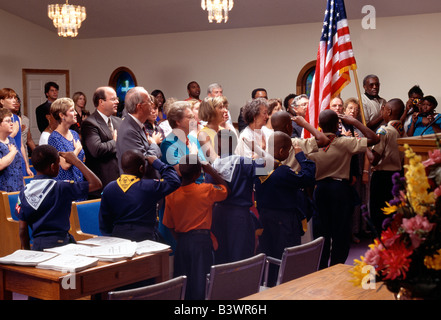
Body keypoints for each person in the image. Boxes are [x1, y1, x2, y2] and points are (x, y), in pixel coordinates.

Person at [305, 109, 379, 269]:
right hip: (340, 189)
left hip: (321, 189)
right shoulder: (345, 142)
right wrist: (355, 122)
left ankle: (321, 269)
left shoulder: (312, 143)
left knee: (321, 233)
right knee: (341, 232)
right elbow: (374, 139)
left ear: (319, 125)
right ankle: (337, 267)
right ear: (337, 125)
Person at [163, 154, 229, 300]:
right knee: (201, 283)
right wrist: (211, 171)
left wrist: (182, 238)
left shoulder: (171, 195)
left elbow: (169, 225)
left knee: (183, 284)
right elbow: (225, 190)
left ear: (179, 171)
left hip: (182, 242)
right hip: (201, 241)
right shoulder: (206, 189)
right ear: (198, 173)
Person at [254, 131, 316, 286]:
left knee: (268, 255)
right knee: (285, 257)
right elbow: (307, 178)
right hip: (284, 221)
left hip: (265, 219)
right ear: (281, 151)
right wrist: (301, 156)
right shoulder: (283, 172)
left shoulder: (259, 166)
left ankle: (267, 287)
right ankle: (284, 288)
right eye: (288, 151)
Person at [16, 145, 101, 251]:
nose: (59, 166)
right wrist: (76, 161)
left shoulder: (23, 193)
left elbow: (22, 229)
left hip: (38, 246)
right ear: (52, 167)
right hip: (62, 246)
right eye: (58, 163)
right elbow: (96, 184)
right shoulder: (61, 187)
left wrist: (28, 252)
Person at [207, 129, 265, 265]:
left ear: (217, 146)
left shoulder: (212, 167)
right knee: (241, 259)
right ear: (234, 145)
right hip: (239, 217)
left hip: (218, 215)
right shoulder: (245, 163)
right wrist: (257, 149)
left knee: (221, 259)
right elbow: (267, 166)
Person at [99, 150, 180, 242]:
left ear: (122, 167)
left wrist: (113, 238)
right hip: (146, 239)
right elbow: (174, 180)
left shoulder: (108, 188)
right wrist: (157, 162)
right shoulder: (149, 186)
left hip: (118, 238)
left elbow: (104, 223)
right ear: (141, 168)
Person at [367, 99, 405, 232]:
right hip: (397, 176)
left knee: (379, 215)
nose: (381, 111)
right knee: (393, 214)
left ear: (388, 111)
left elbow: (374, 159)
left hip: (382, 177)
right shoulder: (403, 131)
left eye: (383, 109)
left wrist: (363, 145)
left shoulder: (384, 130)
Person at [81, 86, 122, 198]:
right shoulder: (90, 123)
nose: (117, 102)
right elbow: (97, 150)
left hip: (121, 182)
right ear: (101, 102)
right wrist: (114, 142)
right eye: (113, 99)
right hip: (101, 184)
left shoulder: (118, 122)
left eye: (117, 99)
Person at [116, 87, 162, 179]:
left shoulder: (137, 124)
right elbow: (141, 165)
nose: (152, 104)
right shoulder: (129, 131)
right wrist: (153, 144)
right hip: (139, 186)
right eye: (149, 101)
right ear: (139, 107)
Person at [48, 98, 86, 186]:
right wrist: (77, 149)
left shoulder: (74, 134)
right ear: (62, 115)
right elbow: (65, 165)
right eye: (72, 110)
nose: (76, 113)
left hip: (79, 182)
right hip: (65, 186)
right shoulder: (54, 138)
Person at [0, 88, 32, 177]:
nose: (14, 101)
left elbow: (21, 144)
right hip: (5, 158)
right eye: (10, 98)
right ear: (2, 101)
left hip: (19, 158)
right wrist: (13, 132)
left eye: (15, 98)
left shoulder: (17, 118)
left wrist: (26, 165)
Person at [197, 96, 229, 162]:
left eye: (225, 107)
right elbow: (214, 161)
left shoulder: (224, 130)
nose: (225, 110)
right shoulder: (203, 134)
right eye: (221, 107)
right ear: (210, 111)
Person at [0, 108, 24, 192]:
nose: (11, 124)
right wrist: (12, 153)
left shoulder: (11, 140)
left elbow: (18, 166)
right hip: (3, 190)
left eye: (11, 121)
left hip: (18, 187)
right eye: (7, 121)